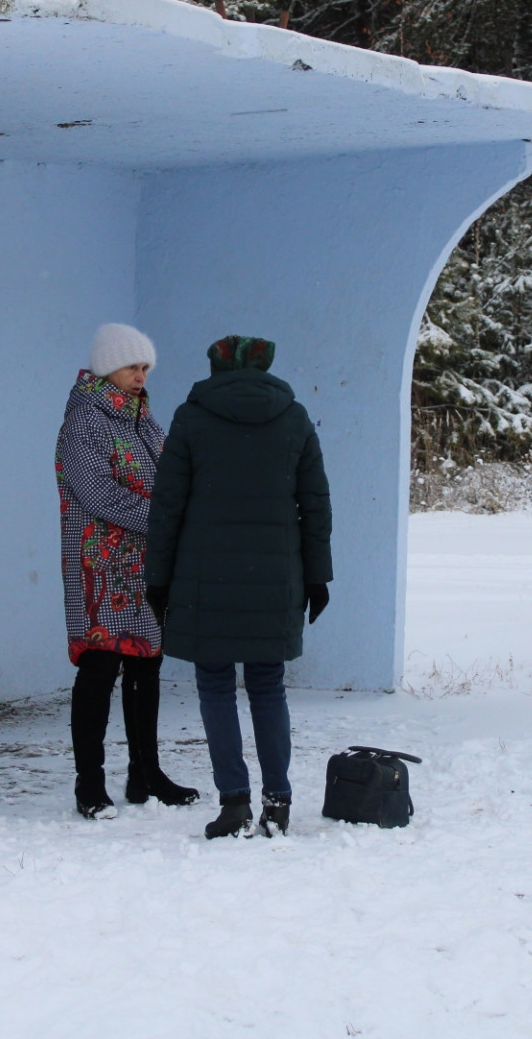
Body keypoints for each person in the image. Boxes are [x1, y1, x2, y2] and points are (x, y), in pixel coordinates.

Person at [145, 335, 332, 839]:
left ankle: (234, 803)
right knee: (268, 686)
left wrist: (157, 579)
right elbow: (315, 503)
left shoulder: (191, 416)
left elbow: (167, 506)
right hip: (274, 580)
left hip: (207, 580)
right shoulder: (293, 418)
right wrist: (317, 575)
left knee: (215, 686)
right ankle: (279, 801)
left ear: (216, 366)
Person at [56, 323, 202, 819]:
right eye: (132, 367)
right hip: (100, 570)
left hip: (145, 566)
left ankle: (145, 773)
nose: (140, 376)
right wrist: (163, 523)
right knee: (99, 670)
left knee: (146, 665)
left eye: (145, 368)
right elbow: (95, 492)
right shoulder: (83, 421)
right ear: (105, 367)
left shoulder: (143, 420)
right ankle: (89, 785)